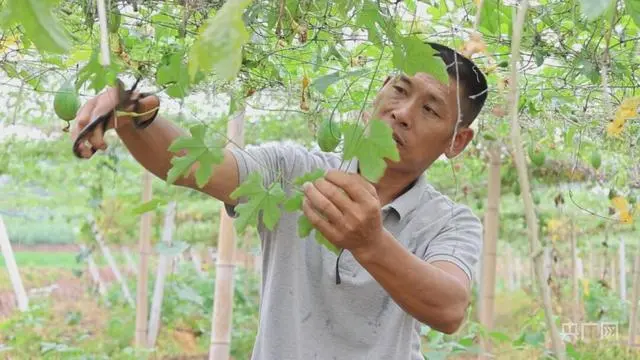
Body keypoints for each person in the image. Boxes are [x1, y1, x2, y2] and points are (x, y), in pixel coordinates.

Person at [71, 41, 488, 360]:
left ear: (458, 142)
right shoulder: (294, 172)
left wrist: (370, 244)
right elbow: (198, 165)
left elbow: (449, 307)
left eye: (430, 110)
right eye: (400, 90)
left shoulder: (450, 222)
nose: (402, 112)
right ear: (379, 93)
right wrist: (131, 114)